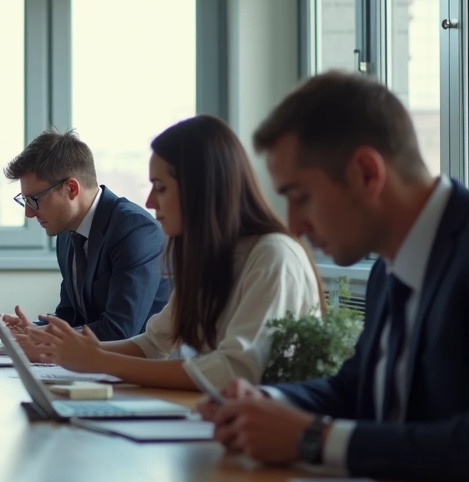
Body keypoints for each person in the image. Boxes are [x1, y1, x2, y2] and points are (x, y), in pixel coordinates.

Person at [199, 72, 469, 482]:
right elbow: (354, 387)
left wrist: (315, 439)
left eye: (300, 196)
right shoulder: (388, 267)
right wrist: (267, 403)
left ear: (365, 173)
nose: (293, 225)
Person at [18, 116, 323, 390]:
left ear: (200, 188)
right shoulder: (207, 258)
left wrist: (99, 361)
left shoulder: (272, 256)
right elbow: (154, 342)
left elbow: (231, 371)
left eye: (160, 188)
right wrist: (65, 350)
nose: (150, 202)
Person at [0, 129, 169, 343]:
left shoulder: (135, 230)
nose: (28, 212)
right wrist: (24, 330)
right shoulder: (67, 233)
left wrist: (39, 335)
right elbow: (70, 318)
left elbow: (120, 330)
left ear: (71, 188)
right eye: (24, 200)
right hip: (93, 367)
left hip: (140, 369)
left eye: (34, 200)